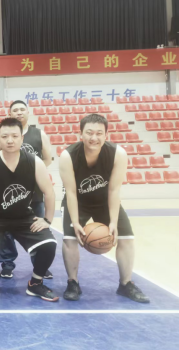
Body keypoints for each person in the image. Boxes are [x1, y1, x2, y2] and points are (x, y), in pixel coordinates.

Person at [59, 114, 149, 303]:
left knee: (126, 237)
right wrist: (75, 222)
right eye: (89, 132)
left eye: (99, 133)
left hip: (104, 202)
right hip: (78, 201)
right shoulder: (68, 156)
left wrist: (113, 222)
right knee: (69, 239)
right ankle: (73, 282)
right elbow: (71, 193)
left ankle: (126, 284)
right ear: (81, 134)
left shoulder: (118, 154)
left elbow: (114, 190)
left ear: (106, 135)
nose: (94, 137)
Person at [0, 118, 58, 304]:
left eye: (14, 136)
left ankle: (35, 283)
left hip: (23, 217)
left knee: (49, 244)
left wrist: (47, 220)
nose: (10, 140)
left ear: (22, 138)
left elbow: (49, 192)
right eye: (5, 136)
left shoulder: (34, 162)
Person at [0, 100, 54, 279]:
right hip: (9, 193)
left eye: (22, 109)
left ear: (28, 112)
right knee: (5, 232)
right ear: (10, 114)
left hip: (34, 192)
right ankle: (7, 264)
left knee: (37, 227)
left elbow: (47, 159)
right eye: (15, 110)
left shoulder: (39, 134)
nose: (19, 112)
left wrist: (31, 173)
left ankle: (40, 264)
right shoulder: (1, 137)